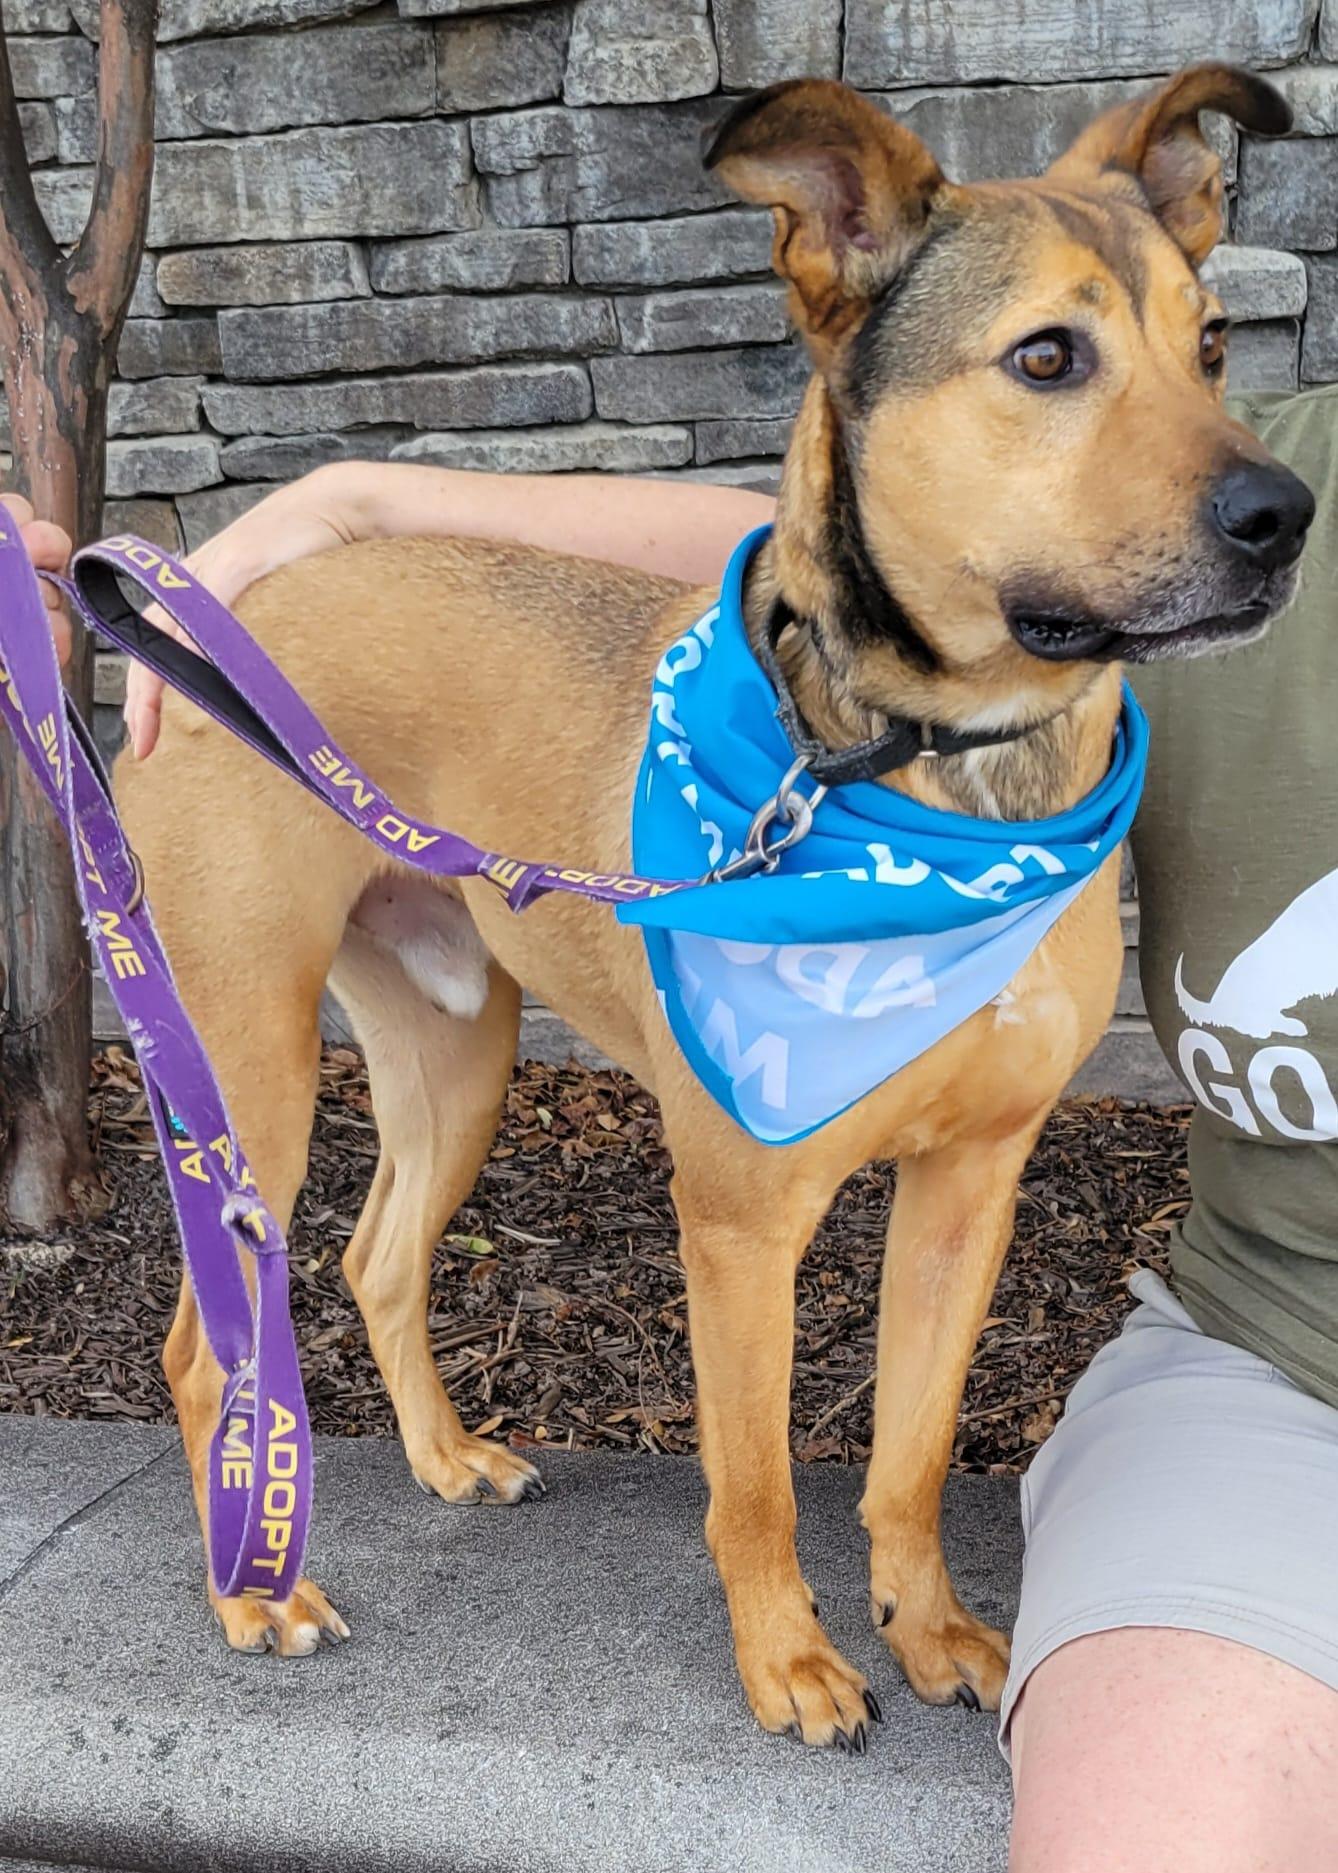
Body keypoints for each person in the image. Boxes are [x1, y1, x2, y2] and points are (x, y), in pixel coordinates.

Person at [10, 385, 1338, 1871]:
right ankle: (240, 1496)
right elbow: (792, 549)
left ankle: (894, 1563)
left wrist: (909, 1546)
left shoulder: (1108, 738)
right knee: (260, 1148)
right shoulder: (1239, 495)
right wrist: (356, 503)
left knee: (455, 1105)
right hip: (315, 710)